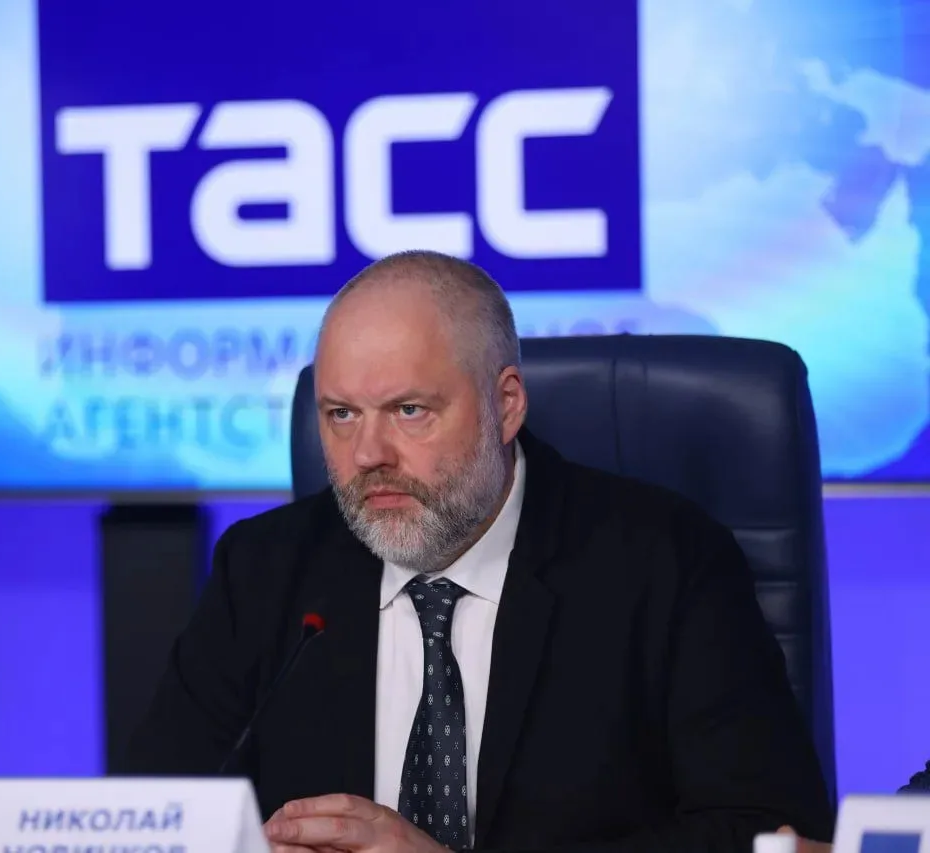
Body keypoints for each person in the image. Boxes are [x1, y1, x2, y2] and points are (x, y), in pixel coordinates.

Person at [124, 250, 834, 853]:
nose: (368, 454)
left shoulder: (664, 561)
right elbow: (149, 820)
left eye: (409, 411)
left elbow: (767, 832)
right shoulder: (264, 571)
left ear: (507, 404)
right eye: (341, 415)